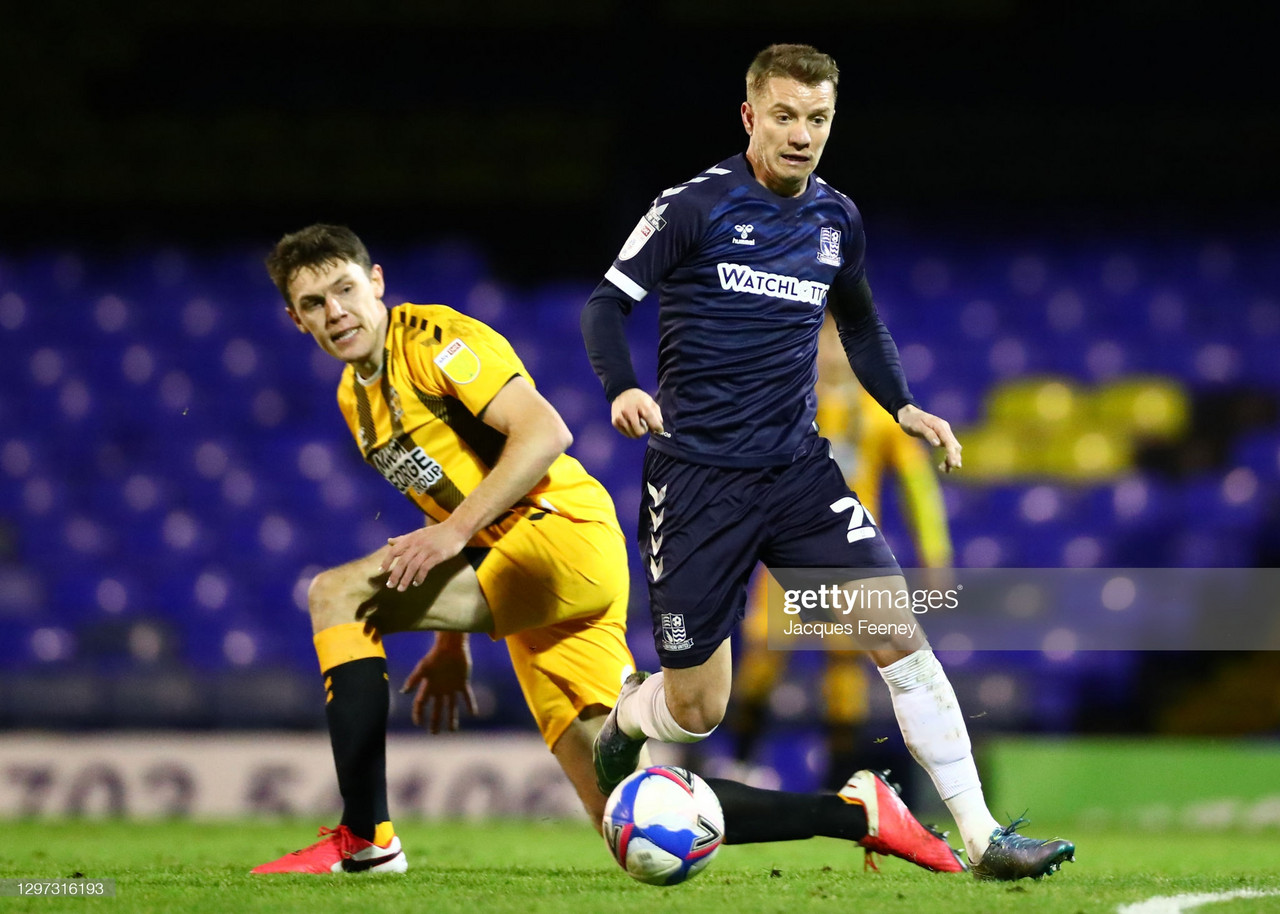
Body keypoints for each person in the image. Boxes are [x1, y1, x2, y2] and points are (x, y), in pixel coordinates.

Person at [250, 223, 966, 875]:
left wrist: (452, 536)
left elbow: (545, 433)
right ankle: (861, 813)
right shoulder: (357, 398)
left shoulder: (436, 341)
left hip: (559, 538)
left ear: (374, 283)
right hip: (522, 580)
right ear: (295, 318)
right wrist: (448, 640)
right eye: (313, 303)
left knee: (335, 595)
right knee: (631, 816)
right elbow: (448, 498)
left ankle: (367, 839)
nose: (334, 311)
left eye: (344, 288)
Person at [580, 44, 1074, 880]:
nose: (802, 134)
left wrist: (904, 405)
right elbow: (606, 307)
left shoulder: (836, 218)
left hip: (798, 475)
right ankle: (631, 713)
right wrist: (624, 388)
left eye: (818, 119)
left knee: (901, 640)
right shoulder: (693, 207)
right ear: (750, 117)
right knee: (697, 710)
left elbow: (863, 323)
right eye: (785, 115)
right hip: (698, 481)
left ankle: (986, 838)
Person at [729, 316, 954, 791]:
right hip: (789, 556)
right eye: (822, 341)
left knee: (847, 667)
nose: (831, 351)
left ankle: (840, 786)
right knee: (763, 658)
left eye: (839, 339)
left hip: (852, 559)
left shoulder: (880, 414)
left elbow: (919, 488)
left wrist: (935, 554)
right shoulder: (789, 404)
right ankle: (741, 766)